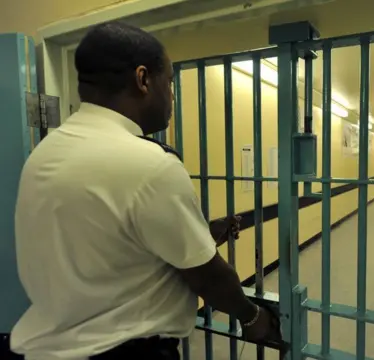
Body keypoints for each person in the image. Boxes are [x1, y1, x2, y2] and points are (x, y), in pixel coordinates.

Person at [10, 22, 281, 360]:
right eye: (169, 82)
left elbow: (105, 243)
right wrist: (252, 317)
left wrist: (200, 233)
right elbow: (208, 277)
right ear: (143, 79)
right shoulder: (150, 163)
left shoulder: (45, 153)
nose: (171, 95)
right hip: (126, 353)